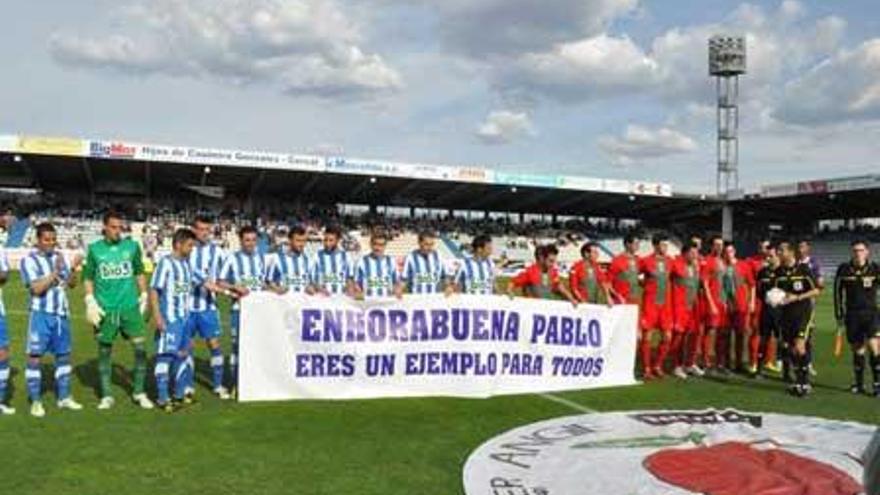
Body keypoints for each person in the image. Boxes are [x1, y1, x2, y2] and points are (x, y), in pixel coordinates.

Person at [83, 211, 153, 410]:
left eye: (120, 227)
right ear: (104, 227)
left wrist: (144, 295)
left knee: (140, 350)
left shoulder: (131, 247)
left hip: (130, 307)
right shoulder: (95, 249)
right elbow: (88, 277)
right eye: (113, 227)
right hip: (106, 310)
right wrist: (90, 300)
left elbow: (139, 272)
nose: (117, 231)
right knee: (104, 351)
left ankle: (139, 392)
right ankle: (106, 395)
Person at [19, 223, 84, 417]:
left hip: (61, 315)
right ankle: (36, 401)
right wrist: (55, 273)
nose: (51, 243)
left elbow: (71, 284)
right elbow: (36, 289)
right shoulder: (29, 261)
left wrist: (73, 268)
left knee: (63, 356)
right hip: (40, 315)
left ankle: (64, 397)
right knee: (34, 357)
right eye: (47, 240)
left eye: (54, 239)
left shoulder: (59, 258)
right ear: (38, 240)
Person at [219, 225, 270, 397]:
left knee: (258, 348)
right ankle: (235, 384)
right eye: (247, 240)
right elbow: (221, 281)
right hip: (238, 311)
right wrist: (235, 286)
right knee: (236, 349)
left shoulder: (261, 259)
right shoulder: (232, 259)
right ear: (241, 241)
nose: (251, 243)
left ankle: (254, 383)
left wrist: (273, 289)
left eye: (254, 240)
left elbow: (263, 283)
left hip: (259, 312)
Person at [150, 229, 196, 411]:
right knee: (166, 356)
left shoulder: (186, 265)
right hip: (169, 319)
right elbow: (155, 290)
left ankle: (178, 395)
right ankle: (162, 398)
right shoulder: (166, 264)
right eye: (189, 245)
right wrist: (157, 316)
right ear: (178, 244)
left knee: (183, 355)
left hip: (185, 320)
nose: (192, 249)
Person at [187, 215, 230, 400]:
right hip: (187, 307)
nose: (205, 233)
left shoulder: (217, 252)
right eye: (201, 229)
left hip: (208, 307)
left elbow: (224, 276)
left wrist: (230, 286)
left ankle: (218, 385)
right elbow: (199, 279)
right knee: (187, 347)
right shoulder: (186, 251)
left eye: (207, 230)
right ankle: (187, 385)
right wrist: (226, 291)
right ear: (194, 230)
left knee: (214, 345)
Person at [833, 240, 880, 396]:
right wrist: (839, 314)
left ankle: (877, 384)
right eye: (855, 250)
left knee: (875, 348)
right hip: (852, 315)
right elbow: (837, 293)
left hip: (871, 314)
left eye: (860, 250)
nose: (857, 253)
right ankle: (859, 385)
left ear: (867, 252)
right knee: (858, 350)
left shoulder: (875, 268)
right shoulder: (844, 269)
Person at [775, 241, 820, 397]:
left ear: (791, 253)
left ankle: (804, 383)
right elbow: (776, 292)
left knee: (800, 346)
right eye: (778, 250)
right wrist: (775, 299)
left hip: (803, 314)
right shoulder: (779, 272)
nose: (779, 253)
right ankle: (799, 381)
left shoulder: (803, 269)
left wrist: (797, 297)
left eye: (781, 250)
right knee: (791, 349)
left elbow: (816, 291)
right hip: (786, 316)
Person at [638, 234, 674, 379]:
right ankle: (646, 368)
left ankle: (657, 365)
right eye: (663, 245)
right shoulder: (645, 261)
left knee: (667, 336)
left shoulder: (670, 261)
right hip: (650, 304)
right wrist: (645, 286)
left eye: (667, 245)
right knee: (647, 336)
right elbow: (635, 276)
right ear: (655, 245)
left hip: (665, 305)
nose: (666, 248)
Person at [721, 242, 756, 374]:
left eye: (730, 251)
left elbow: (752, 284)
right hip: (727, 306)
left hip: (741, 306)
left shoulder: (743, 265)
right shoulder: (723, 267)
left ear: (734, 251)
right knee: (726, 335)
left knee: (741, 335)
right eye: (726, 252)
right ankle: (727, 363)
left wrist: (751, 301)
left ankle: (739, 363)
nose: (728, 254)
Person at [670, 242, 704, 378]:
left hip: (693, 306)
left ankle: (689, 364)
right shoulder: (675, 264)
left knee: (694, 335)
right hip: (680, 307)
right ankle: (676, 366)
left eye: (696, 253)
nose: (695, 256)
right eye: (693, 253)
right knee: (679, 337)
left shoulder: (696, 267)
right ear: (685, 253)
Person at [508, 245, 578, 304]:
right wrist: (510, 291)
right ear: (542, 258)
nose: (553, 264)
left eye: (554, 261)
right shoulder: (530, 271)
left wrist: (571, 298)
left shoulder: (553, 271)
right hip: (533, 309)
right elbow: (513, 283)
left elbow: (559, 286)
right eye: (550, 261)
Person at [754, 244, 782, 379]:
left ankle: (786, 372)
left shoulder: (784, 271)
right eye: (767, 256)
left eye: (772, 256)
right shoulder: (762, 272)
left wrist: (780, 299)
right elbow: (758, 292)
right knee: (763, 340)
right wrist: (768, 298)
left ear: (778, 255)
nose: (769, 259)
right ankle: (759, 370)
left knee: (784, 340)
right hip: (766, 311)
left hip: (781, 312)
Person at [700, 235, 726, 372]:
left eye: (721, 245)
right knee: (710, 331)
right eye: (716, 244)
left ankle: (718, 362)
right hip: (713, 301)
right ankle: (705, 361)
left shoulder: (722, 261)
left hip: (722, 301)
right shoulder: (707, 261)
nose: (719, 247)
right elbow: (704, 283)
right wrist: (711, 303)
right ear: (711, 246)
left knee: (721, 332)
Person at [797, 240, 823, 377]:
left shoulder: (814, 263)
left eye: (803, 246)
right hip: (793, 304)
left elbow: (819, 283)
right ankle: (784, 361)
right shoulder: (794, 262)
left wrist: (819, 283)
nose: (800, 249)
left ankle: (808, 363)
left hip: (808, 303)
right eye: (799, 246)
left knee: (807, 335)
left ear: (808, 248)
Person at [354, 231, 402, 300]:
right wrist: (359, 293)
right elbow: (357, 284)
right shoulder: (362, 261)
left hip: (387, 304)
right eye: (375, 244)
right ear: (370, 244)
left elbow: (396, 282)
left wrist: (397, 290)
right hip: (368, 304)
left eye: (381, 245)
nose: (378, 248)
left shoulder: (391, 261)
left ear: (385, 246)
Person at [267, 225, 314, 295]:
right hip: (284, 303)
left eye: (304, 241)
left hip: (303, 303)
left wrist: (310, 288)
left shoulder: (307, 260)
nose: (302, 244)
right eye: (298, 240)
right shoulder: (277, 259)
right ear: (290, 240)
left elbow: (310, 282)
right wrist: (277, 289)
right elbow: (268, 282)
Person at [401, 230, 450, 295]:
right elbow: (404, 279)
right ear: (419, 243)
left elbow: (445, 276)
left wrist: (448, 286)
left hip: (435, 300)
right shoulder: (411, 257)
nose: (429, 247)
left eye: (432, 244)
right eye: (426, 244)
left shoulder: (438, 256)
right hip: (416, 301)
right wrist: (399, 289)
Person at [310, 224, 355, 296]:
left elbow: (349, 278)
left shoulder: (346, 256)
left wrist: (350, 291)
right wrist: (321, 289)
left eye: (331, 240)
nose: (327, 243)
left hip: (341, 297)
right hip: (322, 298)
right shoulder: (317, 256)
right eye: (325, 240)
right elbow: (312, 280)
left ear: (338, 240)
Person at [608, 234, 642, 305]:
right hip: (621, 301)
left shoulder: (639, 260)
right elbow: (608, 283)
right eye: (636, 243)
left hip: (635, 301)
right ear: (627, 244)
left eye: (639, 244)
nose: (638, 246)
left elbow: (639, 278)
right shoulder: (617, 261)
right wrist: (616, 296)